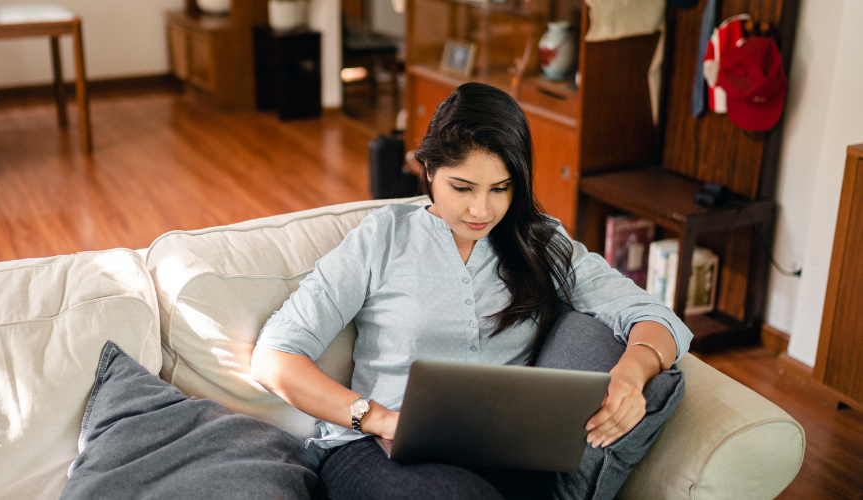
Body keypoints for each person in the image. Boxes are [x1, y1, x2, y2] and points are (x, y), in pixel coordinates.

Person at [251, 82, 691, 499]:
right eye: (462, 188)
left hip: (503, 458)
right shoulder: (382, 239)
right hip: (376, 452)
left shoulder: (540, 243)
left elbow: (651, 315)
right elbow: (275, 356)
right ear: (428, 170)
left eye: (500, 188)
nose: (481, 210)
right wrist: (379, 418)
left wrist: (630, 375)